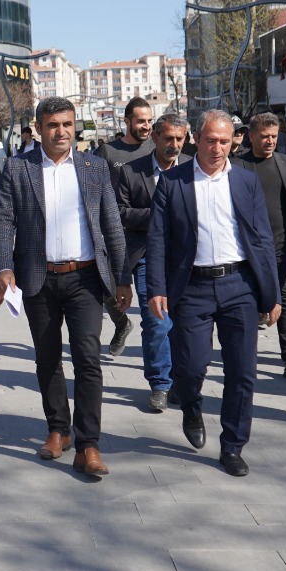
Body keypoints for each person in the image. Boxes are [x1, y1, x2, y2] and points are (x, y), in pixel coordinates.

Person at [0, 97, 130, 477]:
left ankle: (89, 444)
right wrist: (3, 268)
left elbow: (112, 225)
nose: (61, 132)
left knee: (88, 359)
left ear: (75, 127)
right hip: (39, 278)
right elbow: (2, 222)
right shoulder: (18, 169)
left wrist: (122, 277)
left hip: (85, 278)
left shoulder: (94, 167)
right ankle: (58, 430)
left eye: (67, 124)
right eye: (53, 125)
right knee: (47, 358)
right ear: (38, 128)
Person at [146, 109, 280, 477]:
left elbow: (262, 240)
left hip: (240, 286)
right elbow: (158, 239)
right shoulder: (173, 182)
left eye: (224, 141)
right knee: (189, 368)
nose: (217, 148)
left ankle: (233, 445)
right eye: (210, 140)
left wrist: (273, 295)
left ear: (232, 142)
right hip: (192, 288)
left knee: (242, 372)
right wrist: (157, 288)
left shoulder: (246, 182)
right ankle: (191, 407)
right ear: (196, 140)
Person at [113, 112, 190, 413]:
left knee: (184, 324)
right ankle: (160, 384)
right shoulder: (131, 172)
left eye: (179, 139)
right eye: (168, 138)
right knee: (157, 321)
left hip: (186, 259)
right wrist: (158, 215)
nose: (173, 145)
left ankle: (181, 380)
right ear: (155, 137)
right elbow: (119, 212)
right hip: (147, 257)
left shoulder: (191, 169)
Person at [237, 111, 286, 379]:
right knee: (251, 301)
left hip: (283, 244)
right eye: (264, 136)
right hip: (248, 247)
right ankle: (245, 357)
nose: (270, 141)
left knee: (285, 298)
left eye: (274, 137)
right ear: (251, 136)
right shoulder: (237, 165)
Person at [94, 97, 155, 355]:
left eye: (150, 121)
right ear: (127, 121)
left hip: (145, 237)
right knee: (105, 286)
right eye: (141, 121)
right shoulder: (108, 152)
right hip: (112, 233)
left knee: (150, 306)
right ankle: (121, 324)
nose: (146, 126)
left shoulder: (156, 148)